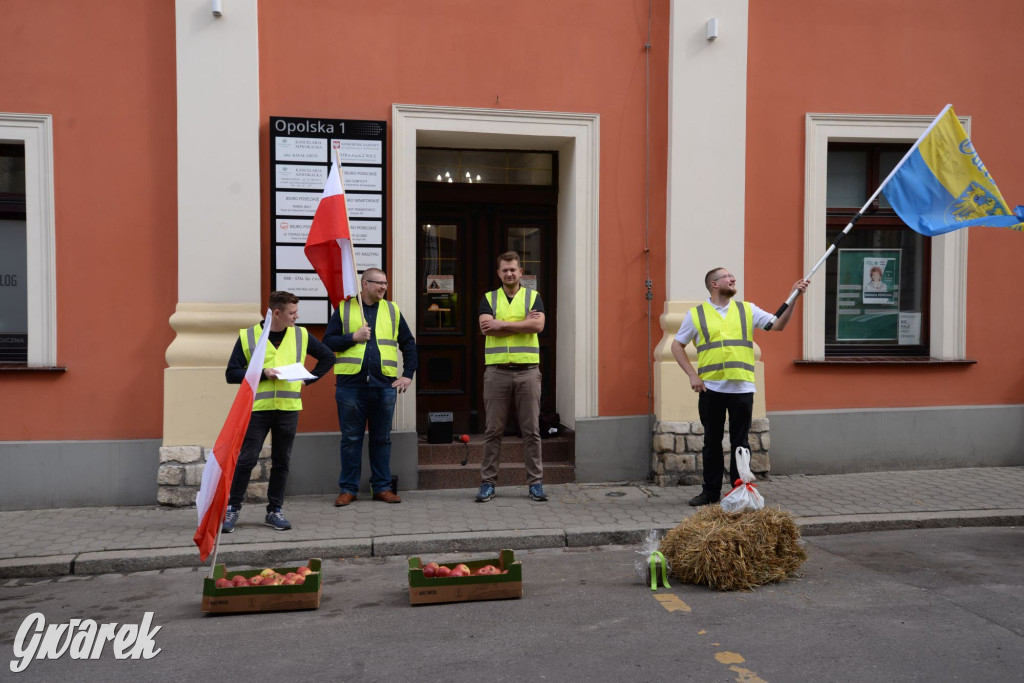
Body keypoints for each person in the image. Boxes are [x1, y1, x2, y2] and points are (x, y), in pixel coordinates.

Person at [671, 269, 809, 506]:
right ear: (714, 284)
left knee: (741, 444)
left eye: (733, 276)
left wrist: (794, 297)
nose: (733, 279)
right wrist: (693, 376)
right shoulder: (697, 315)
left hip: (742, 389)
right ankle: (710, 492)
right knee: (711, 443)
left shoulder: (747, 309)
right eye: (727, 276)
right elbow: (676, 346)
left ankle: (738, 491)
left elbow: (777, 325)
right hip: (711, 389)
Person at [222, 291, 335, 532]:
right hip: (258, 410)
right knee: (246, 460)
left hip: (288, 408)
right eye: (292, 312)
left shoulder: (301, 334)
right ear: (276, 313)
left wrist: (309, 379)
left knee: (281, 462)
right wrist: (263, 373)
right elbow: (231, 374)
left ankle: (274, 511)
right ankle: (232, 509)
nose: (297, 316)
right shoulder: (249, 336)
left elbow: (327, 357)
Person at [324, 268, 417, 506]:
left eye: (386, 283)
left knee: (381, 439)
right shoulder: (344, 309)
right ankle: (348, 489)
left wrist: (407, 374)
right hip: (350, 386)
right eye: (379, 283)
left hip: (384, 385)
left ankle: (382, 487)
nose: (384, 287)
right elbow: (328, 343)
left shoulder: (392, 309)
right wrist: (352, 338)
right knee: (351, 439)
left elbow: (408, 343)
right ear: (365, 283)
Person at [476, 250, 547, 503]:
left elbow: (537, 326)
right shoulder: (489, 298)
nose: (509, 273)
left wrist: (501, 325)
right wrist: (521, 324)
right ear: (499, 272)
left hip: (528, 371)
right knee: (493, 431)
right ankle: (488, 483)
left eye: (513, 269)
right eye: (504, 269)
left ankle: (535, 483)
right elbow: (487, 328)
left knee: (532, 431)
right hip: (497, 373)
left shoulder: (533, 296)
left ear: (520, 272)